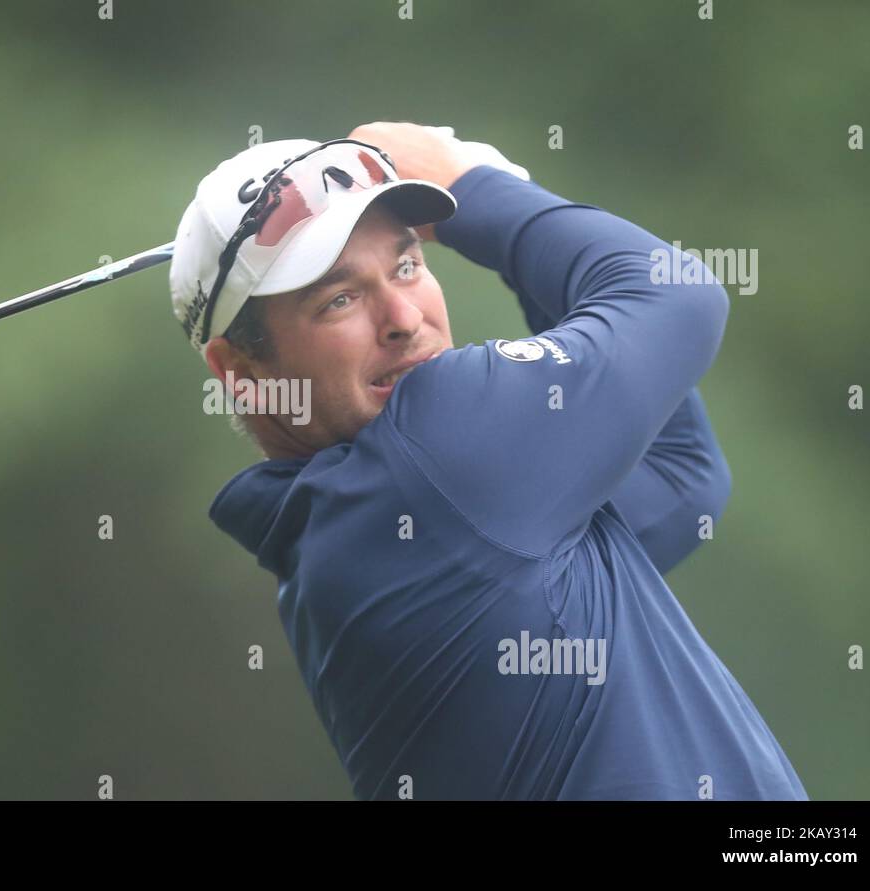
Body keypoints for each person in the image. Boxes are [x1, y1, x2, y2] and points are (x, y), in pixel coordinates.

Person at [168, 122, 807, 800]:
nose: (403, 317)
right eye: (340, 298)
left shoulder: (359, 523)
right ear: (240, 372)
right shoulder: (432, 455)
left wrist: (501, 203)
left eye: (407, 265)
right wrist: (476, 185)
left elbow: (682, 478)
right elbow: (679, 295)